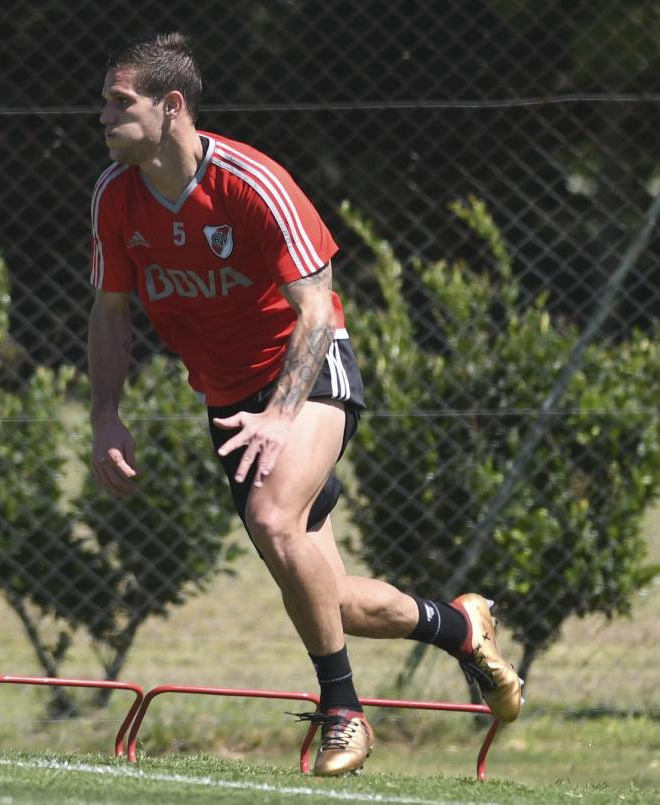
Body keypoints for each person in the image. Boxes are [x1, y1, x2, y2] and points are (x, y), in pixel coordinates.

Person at [86, 32, 523, 777]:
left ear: (172, 106)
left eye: (118, 102)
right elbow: (110, 316)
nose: (102, 117)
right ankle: (460, 625)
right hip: (230, 401)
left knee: (271, 517)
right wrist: (105, 415)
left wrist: (281, 414)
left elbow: (316, 312)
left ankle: (344, 713)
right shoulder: (115, 197)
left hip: (311, 371)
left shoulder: (252, 182)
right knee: (332, 597)